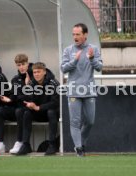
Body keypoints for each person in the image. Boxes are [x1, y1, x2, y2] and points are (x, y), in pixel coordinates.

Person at [61, 23, 103, 156]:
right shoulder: (68, 50)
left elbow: (99, 67)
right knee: (75, 122)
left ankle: (82, 143)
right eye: (73, 34)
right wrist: (74, 61)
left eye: (78, 34)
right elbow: (63, 68)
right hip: (74, 90)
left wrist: (91, 59)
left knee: (90, 121)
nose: (75, 37)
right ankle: (79, 149)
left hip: (89, 90)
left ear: (85, 35)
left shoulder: (93, 49)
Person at [0, 54, 33, 154]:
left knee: (19, 111)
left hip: (29, 109)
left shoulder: (34, 76)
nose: (21, 67)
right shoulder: (15, 79)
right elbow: (14, 96)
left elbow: (32, 97)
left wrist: (28, 85)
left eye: (23, 64)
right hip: (18, 107)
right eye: (18, 65)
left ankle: (20, 142)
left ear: (27, 63)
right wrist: (8, 99)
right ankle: (0, 143)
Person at [17, 62, 59, 155]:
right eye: (35, 72)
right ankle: (25, 145)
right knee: (26, 113)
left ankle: (52, 145)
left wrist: (39, 107)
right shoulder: (31, 83)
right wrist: (30, 102)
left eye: (39, 72)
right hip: (38, 112)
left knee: (51, 112)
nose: (36, 74)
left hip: (50, 112)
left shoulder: (54, 83)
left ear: (44, 72)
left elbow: (55, 103)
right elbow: (27, 98)